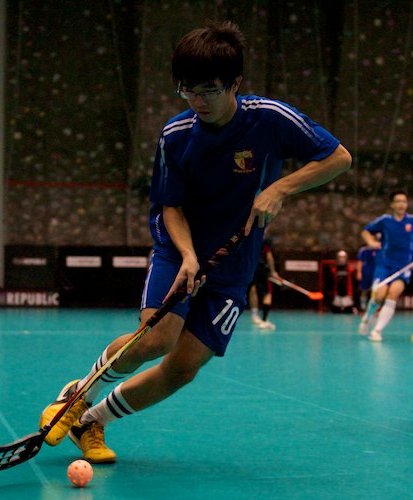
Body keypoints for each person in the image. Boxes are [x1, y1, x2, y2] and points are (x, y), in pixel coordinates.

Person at [39, 21, 352, 464]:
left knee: (183, 368)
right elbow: (171, 206)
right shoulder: (177, 135)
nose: (198, 101)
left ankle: (93, 422)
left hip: (233, 265)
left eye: (209, 90)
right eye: (188, 90)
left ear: (235, 84)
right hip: (178, 250)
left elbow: (338, 158)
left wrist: (282, 188)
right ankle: (77, 395)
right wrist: (187, 256)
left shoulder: (270, 119)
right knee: (154, 341)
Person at [358, 191, 413, 342]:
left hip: (404, 267)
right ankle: (367, 317)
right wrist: (370, 242)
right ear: (392, 204)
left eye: (404, 201)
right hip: (384, 264)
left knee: (393, 294)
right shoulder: (384, 220)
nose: (402, 204)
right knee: (380, 295)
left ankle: (377, 330)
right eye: (398, 201)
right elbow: (365, 231)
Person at [248, 237, 280, 330]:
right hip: (262, 269)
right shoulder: (267, 240)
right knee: (268, 293)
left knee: (253, 290)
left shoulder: (253, 238)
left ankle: (254, 316)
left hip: (252, 268)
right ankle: (264, 321)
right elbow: (269, 256)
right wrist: (273, 271)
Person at [355, 234, 379, 311]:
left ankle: (375, 306)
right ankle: (363, 306)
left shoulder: (379, 249)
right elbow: (360, 262)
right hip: (366, 272)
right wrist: (359, 272)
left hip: (377, 272)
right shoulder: (363, 250)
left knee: (376, 290)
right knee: (364, 289)